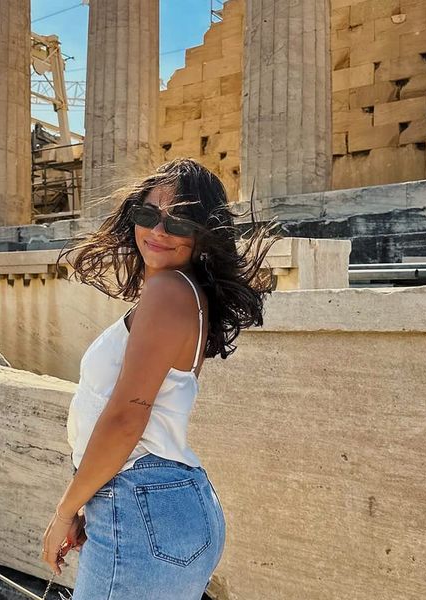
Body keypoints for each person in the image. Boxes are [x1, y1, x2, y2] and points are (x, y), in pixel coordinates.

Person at [44, 158, 282, 599]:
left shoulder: (168, 291)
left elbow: (125, 419)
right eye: (148, 214)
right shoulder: (185, 293)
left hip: (139, 501)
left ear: (203, 233)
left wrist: (65, 511)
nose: (158, 230)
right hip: (162, 501)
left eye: (179, 222)